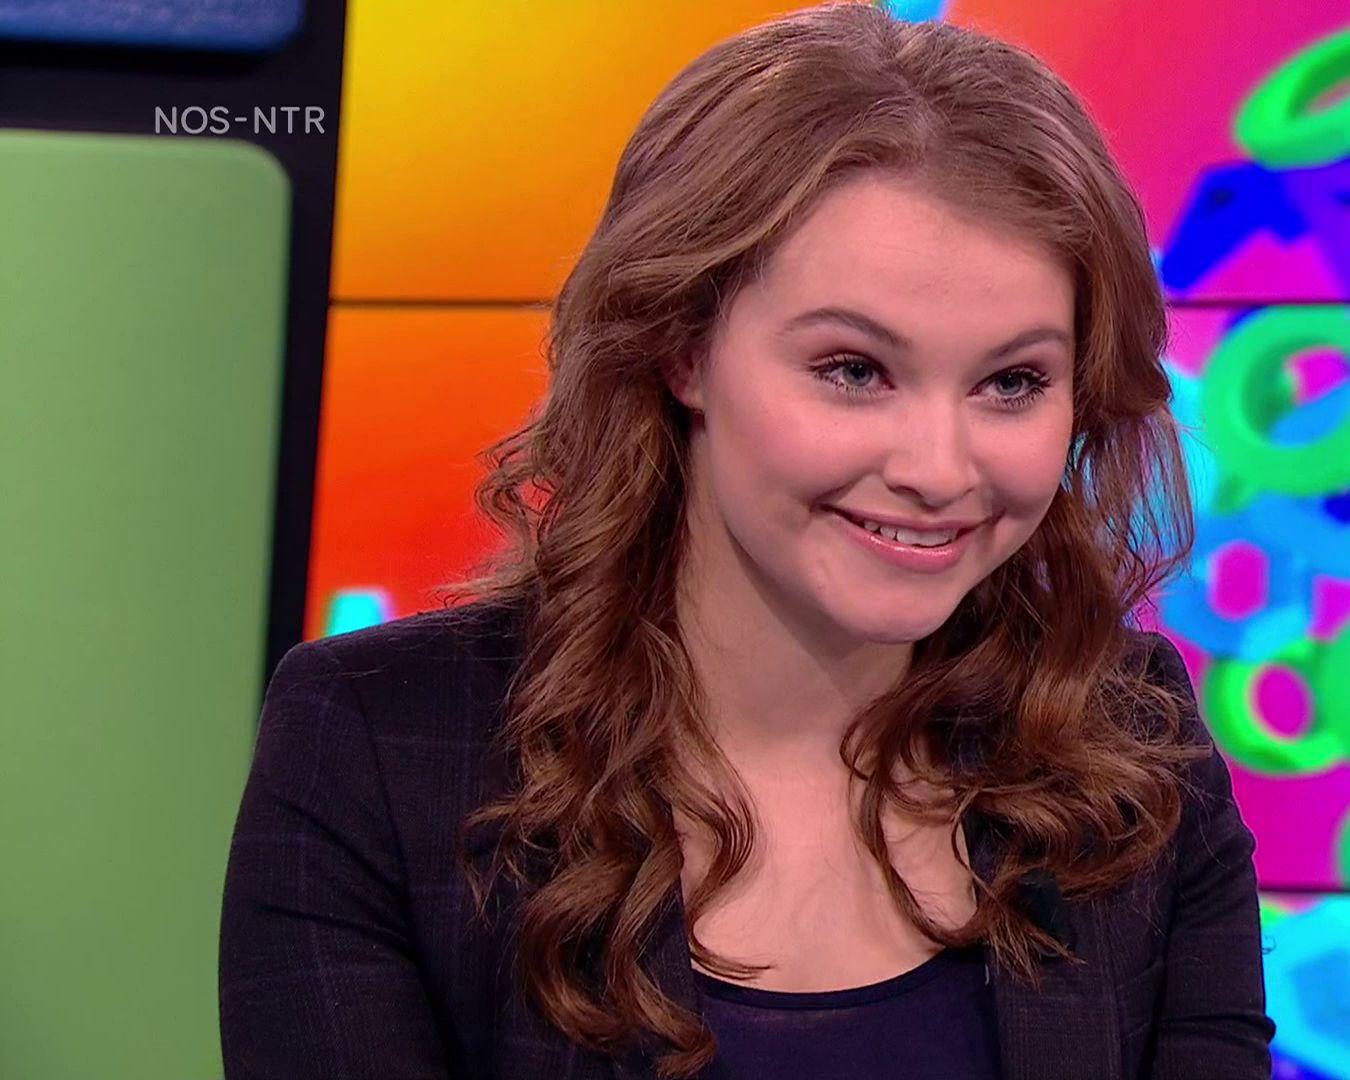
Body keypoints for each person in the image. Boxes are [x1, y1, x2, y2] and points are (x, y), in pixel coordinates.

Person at [217, 4, 1273, 1078]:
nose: (941, 469)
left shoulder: (1138, 748)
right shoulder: (379, 744)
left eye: (1012, 382)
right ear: (681, 349)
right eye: (853, 370)